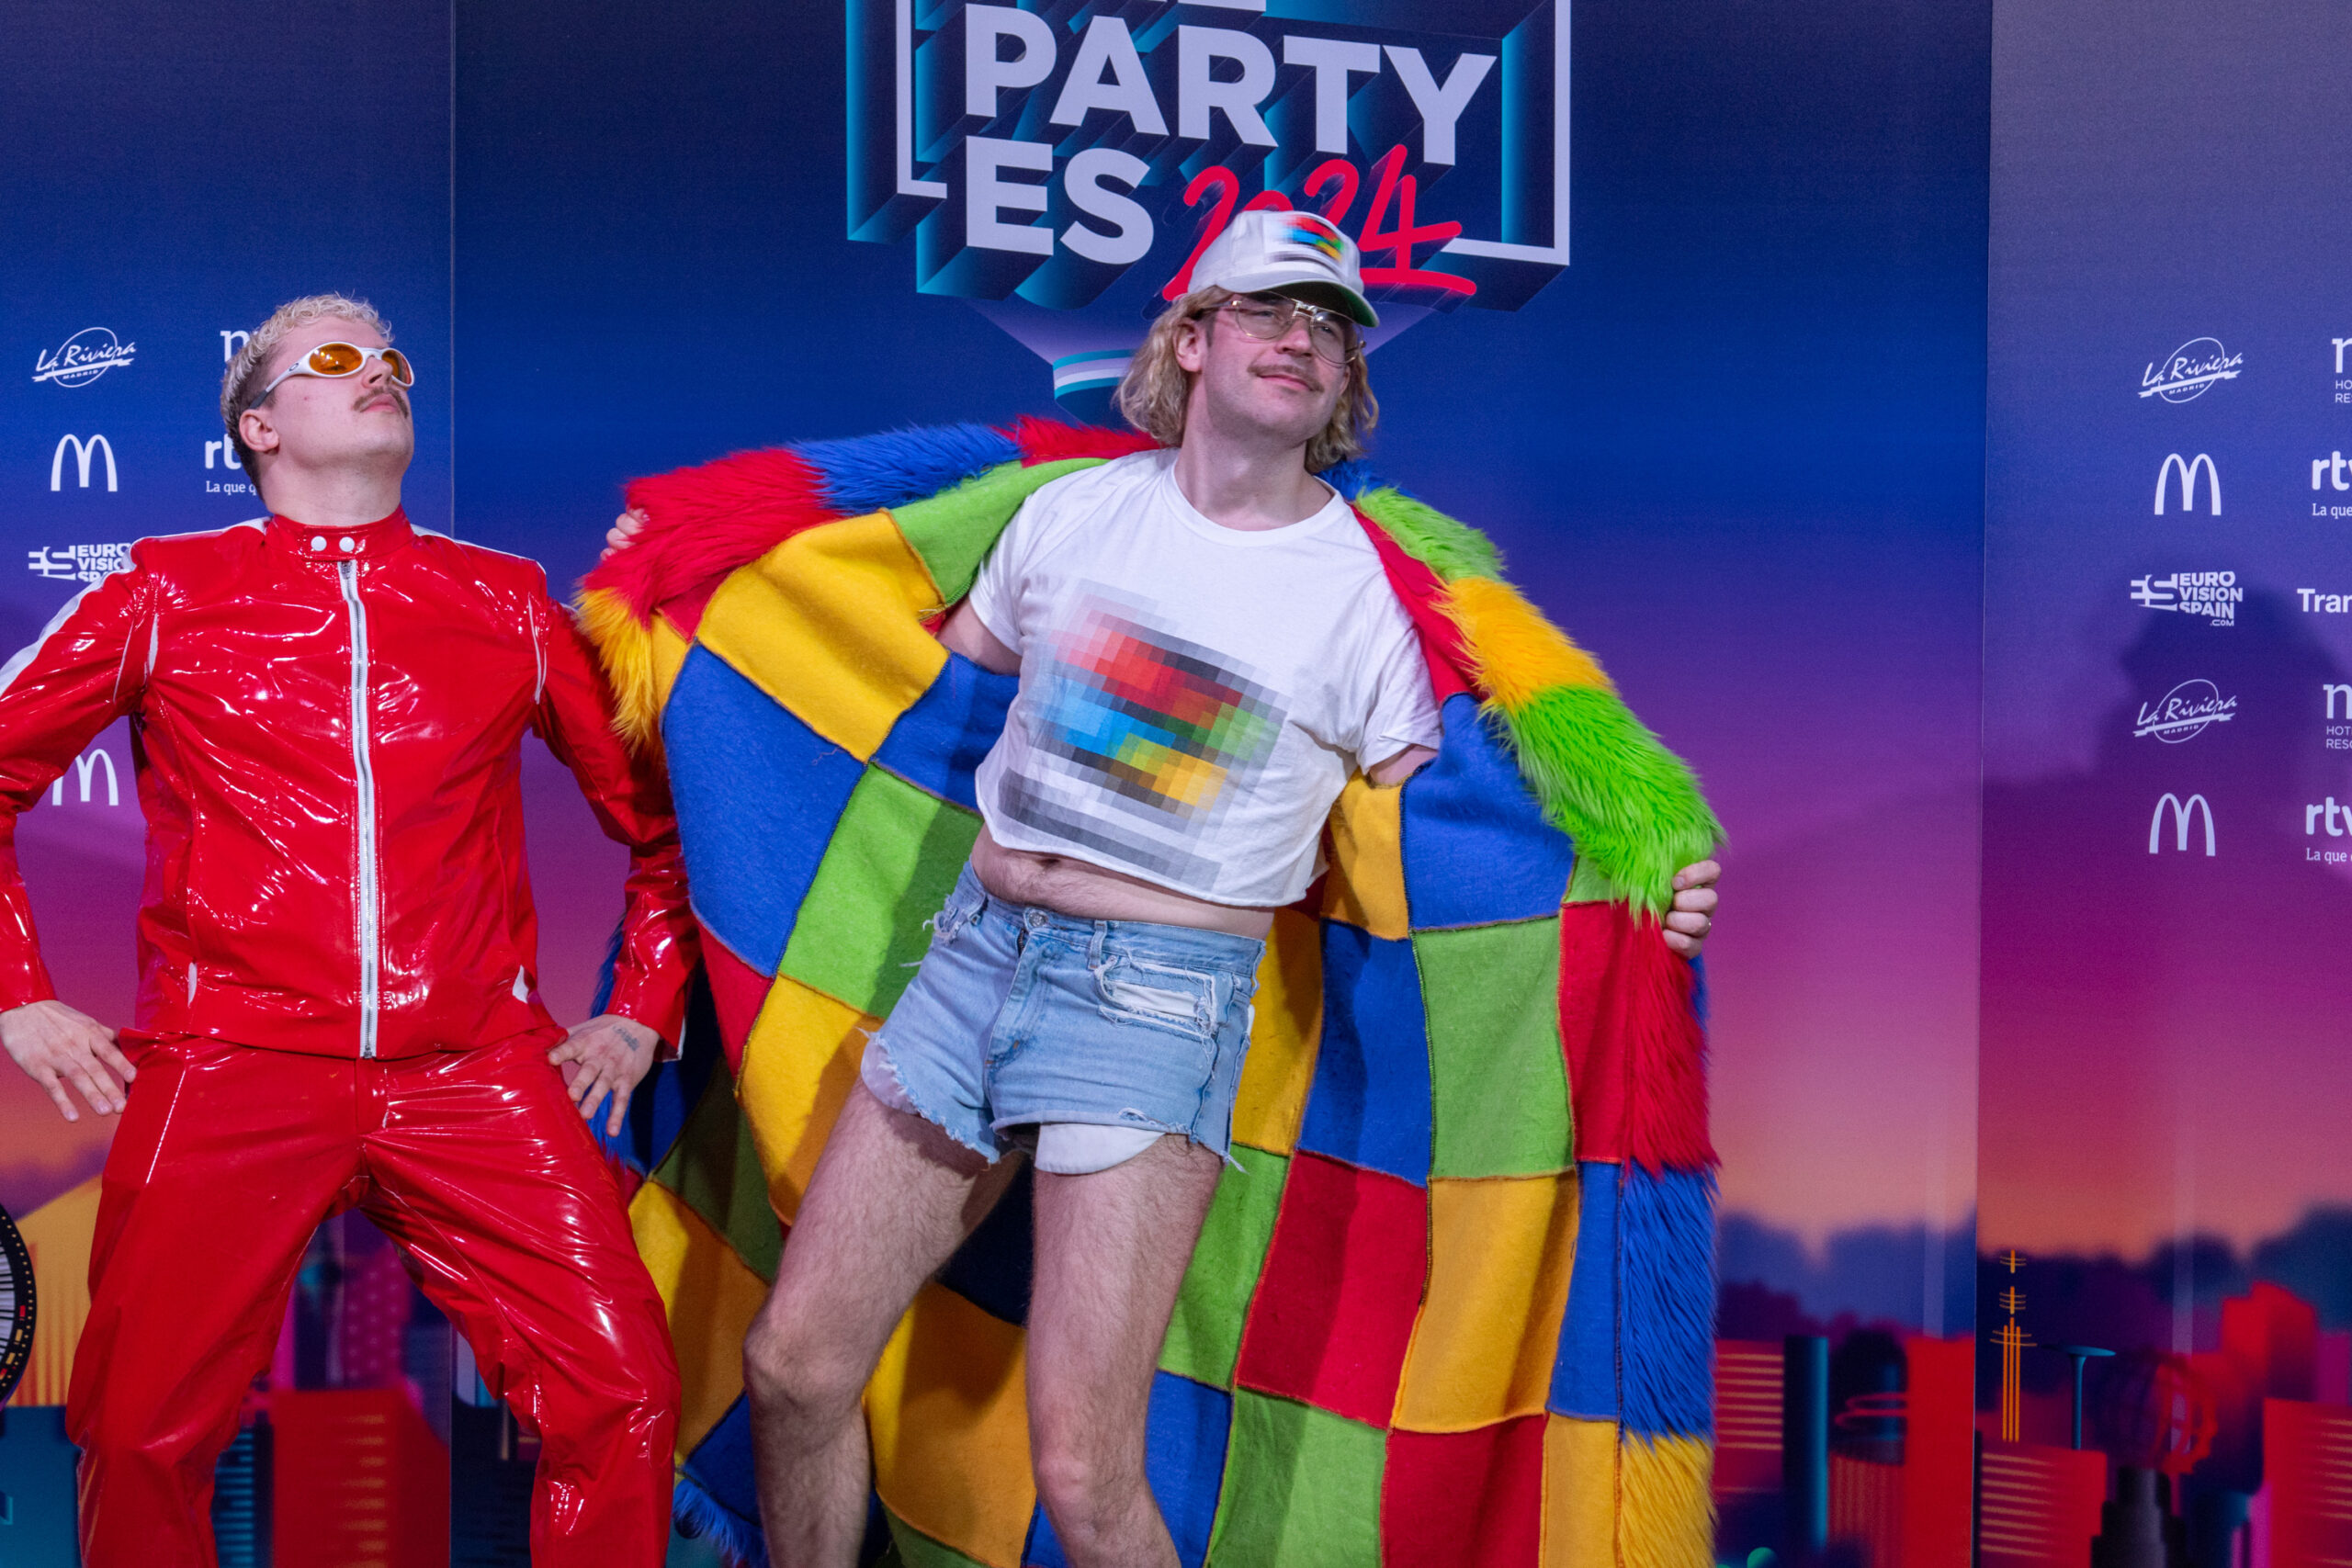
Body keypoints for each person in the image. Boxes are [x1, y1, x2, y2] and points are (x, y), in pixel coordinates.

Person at [605, 212, 1720, 1567]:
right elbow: (909, 690)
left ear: (1346, 380)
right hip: (974, 959)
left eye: (1330, 326)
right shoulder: (1067, 512)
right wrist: (699, 561)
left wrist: (1640, 882)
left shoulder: (1370, 596)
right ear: (1190, 339)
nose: (1301, 338)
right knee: (792, 1368)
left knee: (1086, 1475)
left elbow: (1453, 832)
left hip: (1155, 1006)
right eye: (1268, 309)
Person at [0, 294, 699, 1567]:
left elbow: (669, 822)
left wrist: (643, 1006)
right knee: (141, 1431)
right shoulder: (165, 592)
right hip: (232, 1059)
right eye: (334, 361)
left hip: (473, 1069)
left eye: (391, 360)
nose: (380, 373)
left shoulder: (504, 602)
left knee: (626, 1392)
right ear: (258, 424)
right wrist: (17, 991)